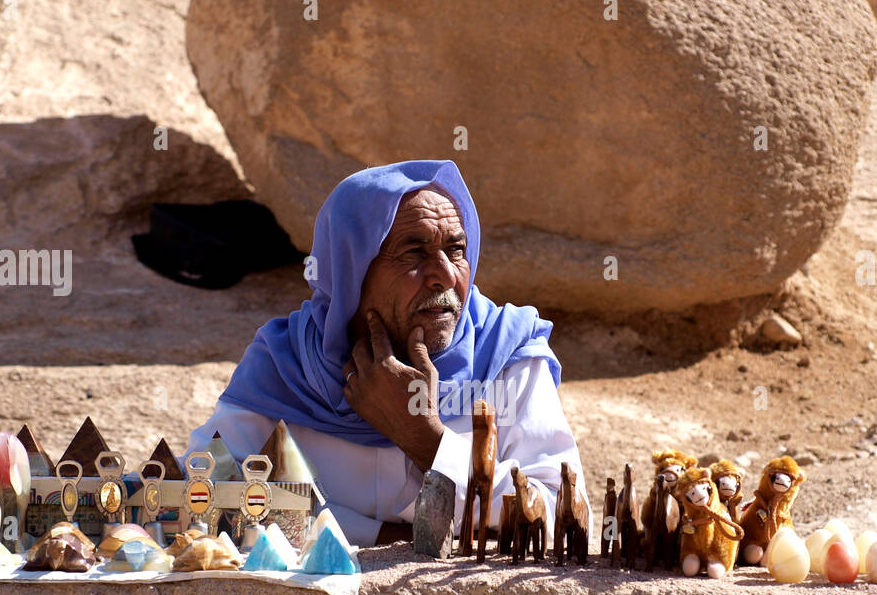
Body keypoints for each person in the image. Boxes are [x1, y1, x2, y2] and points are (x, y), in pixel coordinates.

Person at [185, 159, 589, 547]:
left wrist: (426, 439)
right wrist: (379, 538)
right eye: (414, 252)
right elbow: (199, 492)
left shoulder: (506, 351)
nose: (446, 274)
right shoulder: (289, 362)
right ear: (351, 271)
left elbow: (560, 513)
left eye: (457, 249)